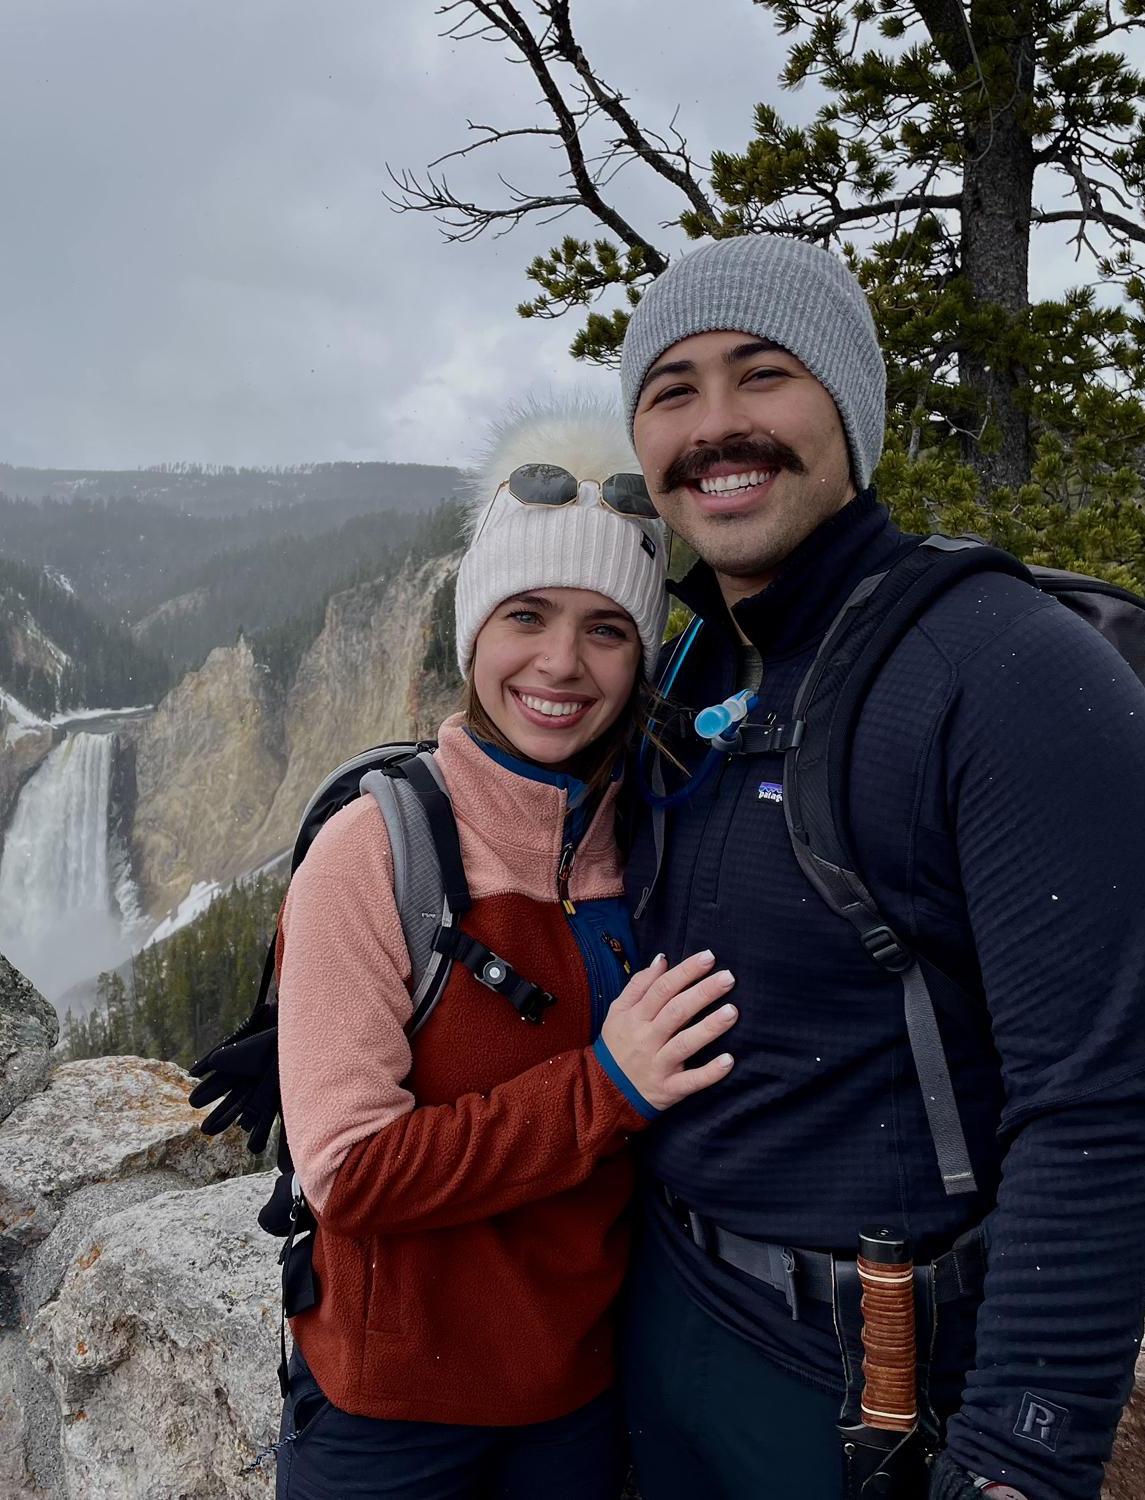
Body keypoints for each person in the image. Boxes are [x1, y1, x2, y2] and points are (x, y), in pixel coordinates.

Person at [615, 235, 1145, 1500]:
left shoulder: (1004, 670)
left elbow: (1100, 1110)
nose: (718, 425)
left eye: (764, 375)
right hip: (661, 1329)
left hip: (866, 1397)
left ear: (853, 407)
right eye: (673, 391)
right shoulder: (703, 667)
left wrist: (1021, 1454)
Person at [272, 399, 739, 1499]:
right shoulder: (375, 851)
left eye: (607, 628)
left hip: (580, 1404)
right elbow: (348, 1172)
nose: (562, 664)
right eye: (526, 615)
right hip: (389, 1422)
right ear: (474, 628)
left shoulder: (652, 846)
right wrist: (605, 1087)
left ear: (642, 656)